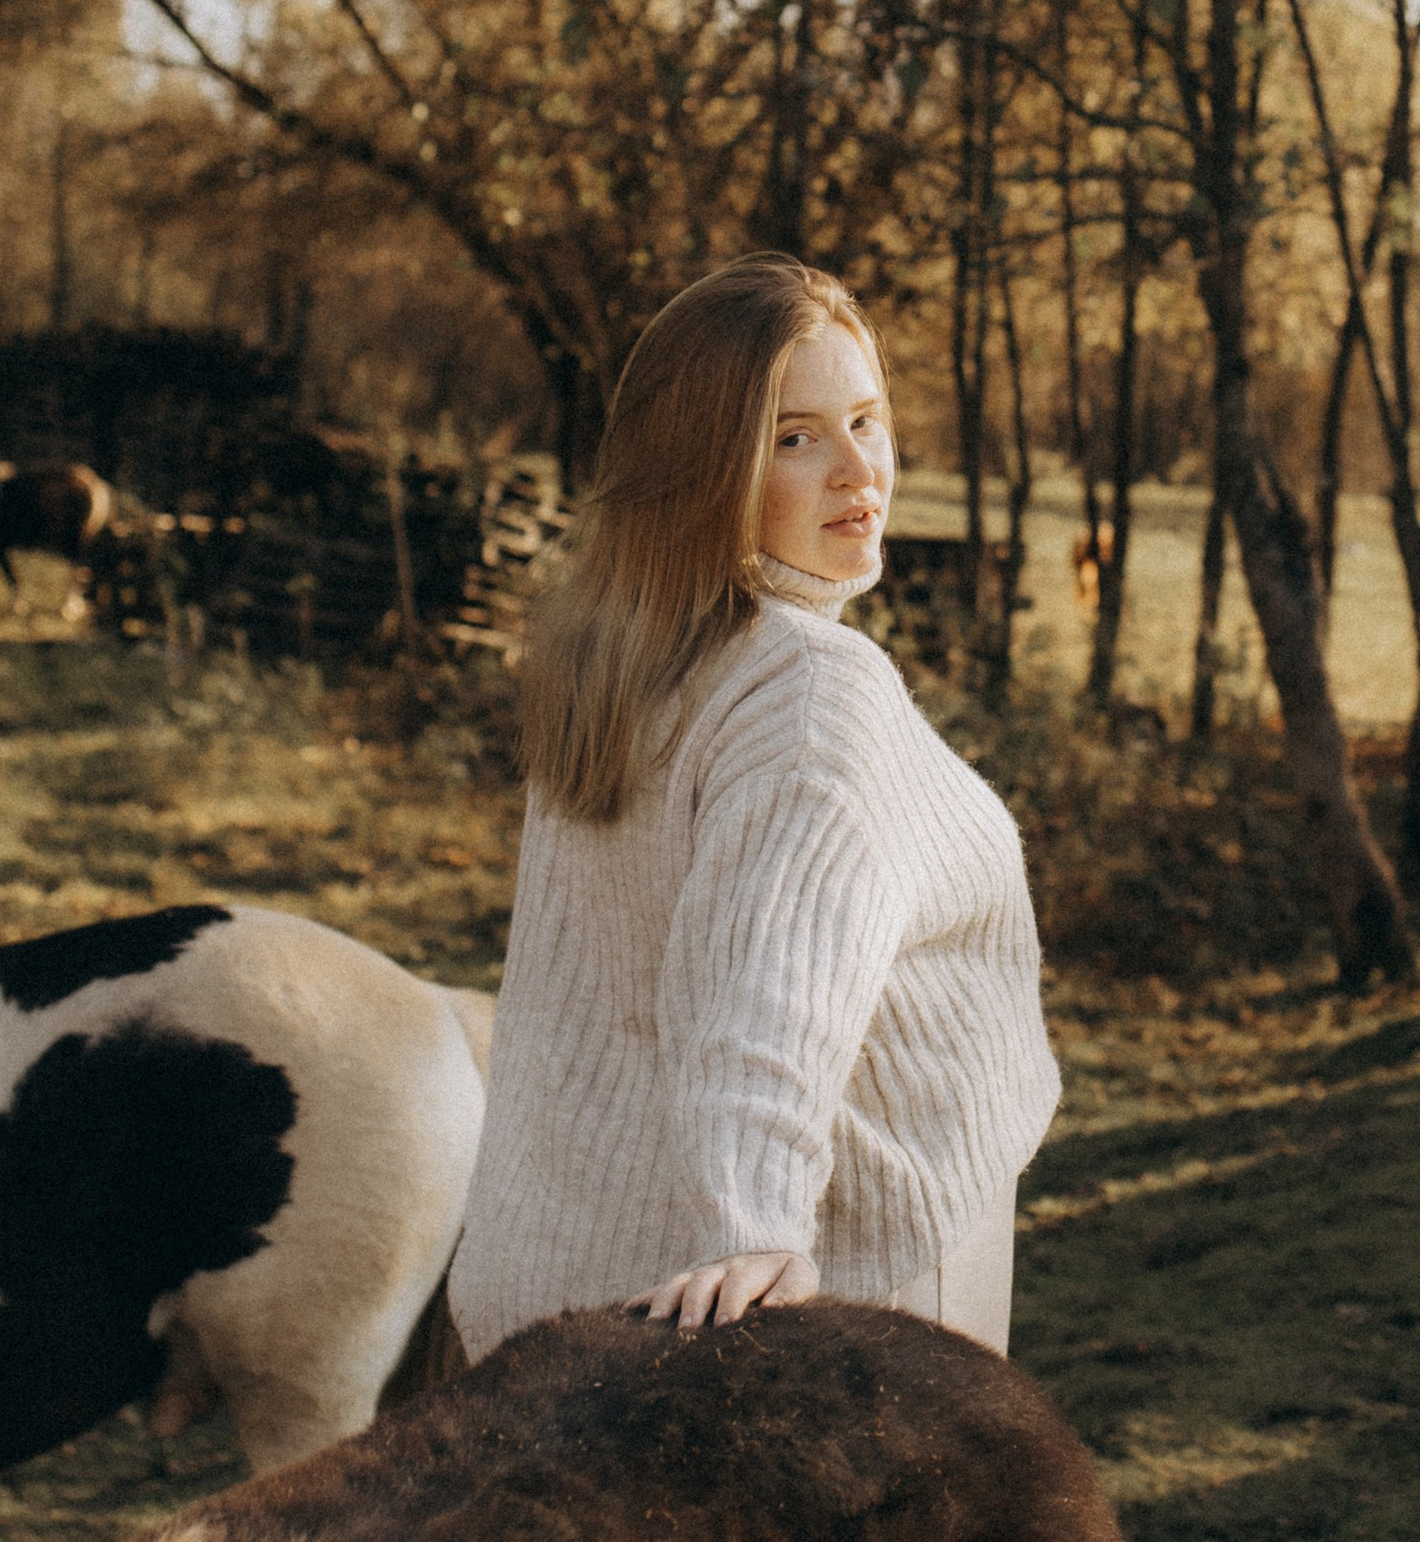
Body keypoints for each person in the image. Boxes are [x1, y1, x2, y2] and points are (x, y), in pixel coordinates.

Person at [447, 255, 1059, 1361]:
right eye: (794, 437)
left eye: (866, 420)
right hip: (820, 1304)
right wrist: (758, 1225)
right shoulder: (810, 689)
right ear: (701, 467)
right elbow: (775, 988)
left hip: (552, 1298)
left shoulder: (617, 656)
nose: (857, 471)